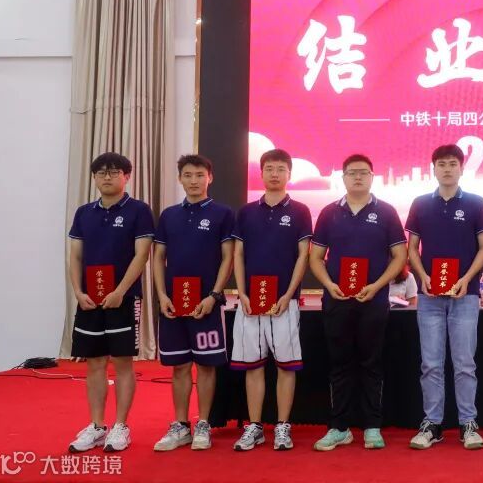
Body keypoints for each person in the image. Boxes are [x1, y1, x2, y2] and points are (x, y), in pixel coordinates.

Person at [308, 154, 408, 451]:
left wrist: (377, 285)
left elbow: (399, 256)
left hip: (373, 300)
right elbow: (316, 257)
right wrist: (329, 284)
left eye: (364, 172)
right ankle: (339, 427)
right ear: (343, 178)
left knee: (371, 362)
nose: (358, 177)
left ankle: (372, 426)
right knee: (339, 364)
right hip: (337, 299)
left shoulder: (387, 212)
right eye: (352, 173)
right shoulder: (329, 213)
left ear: (372, 177)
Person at [66, 152, 154, 454]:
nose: (107, 177)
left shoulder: (139, 210)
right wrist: (78, 292)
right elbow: (75, 256)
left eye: (114, 172)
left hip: (124, 299)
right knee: (94, 363)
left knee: (123, 362)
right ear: (94, 177)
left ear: (126, 177)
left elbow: (141, 255)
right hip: (89, 300)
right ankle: (96, 425)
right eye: (101, 172)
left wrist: (120, 291)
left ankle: (120, 426)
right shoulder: (84, 213)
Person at [406, 144, 483, 450]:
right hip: (429, 296)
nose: (447, 168)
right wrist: (423, 276)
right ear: (433, 169)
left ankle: (468, 423)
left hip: (465, 295)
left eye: (452, 163)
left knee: (465, 363)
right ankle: (432, 423)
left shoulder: (476, 203)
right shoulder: (420, 204)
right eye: (441, 164)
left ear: (462, 168)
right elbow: (412, 248)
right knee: (430, 363)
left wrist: (467, 279)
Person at [229, 149, 312, 451]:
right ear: (261, 173)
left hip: (284, 302)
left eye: (280, 169)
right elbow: (238, 254)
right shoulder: (246, 212)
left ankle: (282, 426)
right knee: (253, 365)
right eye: (269, 169)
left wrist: (289, 294)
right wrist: (241, 293)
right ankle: (254, 426)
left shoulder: (300, 211)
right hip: (250, 302)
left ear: (289, 174)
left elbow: (303, 256)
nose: (275, 174)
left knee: (286, 366)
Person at [152, 155, 234, 451]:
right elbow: (158, 258)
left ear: (209, 177)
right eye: (188, 175)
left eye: (200, 175)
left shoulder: (223, 214)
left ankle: (204, 423)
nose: (194, 180)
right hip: (173, 304)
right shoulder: (169, 215)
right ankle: (180, 425)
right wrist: (162, 295)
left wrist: (214, 295)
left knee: (207, 365)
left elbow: (228, 258)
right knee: (179, 366)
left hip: (206, 305)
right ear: (180, 179)